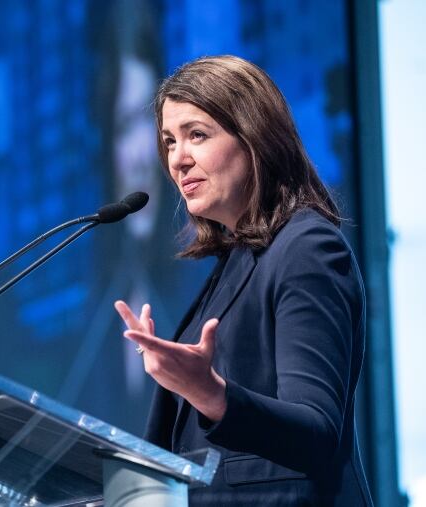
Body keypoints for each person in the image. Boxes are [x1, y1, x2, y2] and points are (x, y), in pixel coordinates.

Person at [114, 55, 373, 506]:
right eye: (169, 142)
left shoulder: (308, 248)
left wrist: (211, 394)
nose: (178, 159)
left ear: (255, 138)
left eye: (197, 135)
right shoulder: (237, 259)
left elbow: (316, 431)